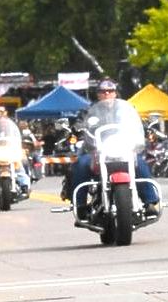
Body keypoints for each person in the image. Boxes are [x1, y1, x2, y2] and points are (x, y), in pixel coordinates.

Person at [61, 80, 159, 214]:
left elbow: (135, 121)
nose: (107, 93)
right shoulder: (88, 111)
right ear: (98, 94)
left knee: (140, 163)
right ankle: (80, 205)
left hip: (121, 147)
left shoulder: (125, 109)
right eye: (103, 91)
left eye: (110, 91)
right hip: (96, 149)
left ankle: (150, 202)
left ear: (115, 93)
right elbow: (80, 122)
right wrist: (76, 128)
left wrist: (146, 127)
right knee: (81, 164)